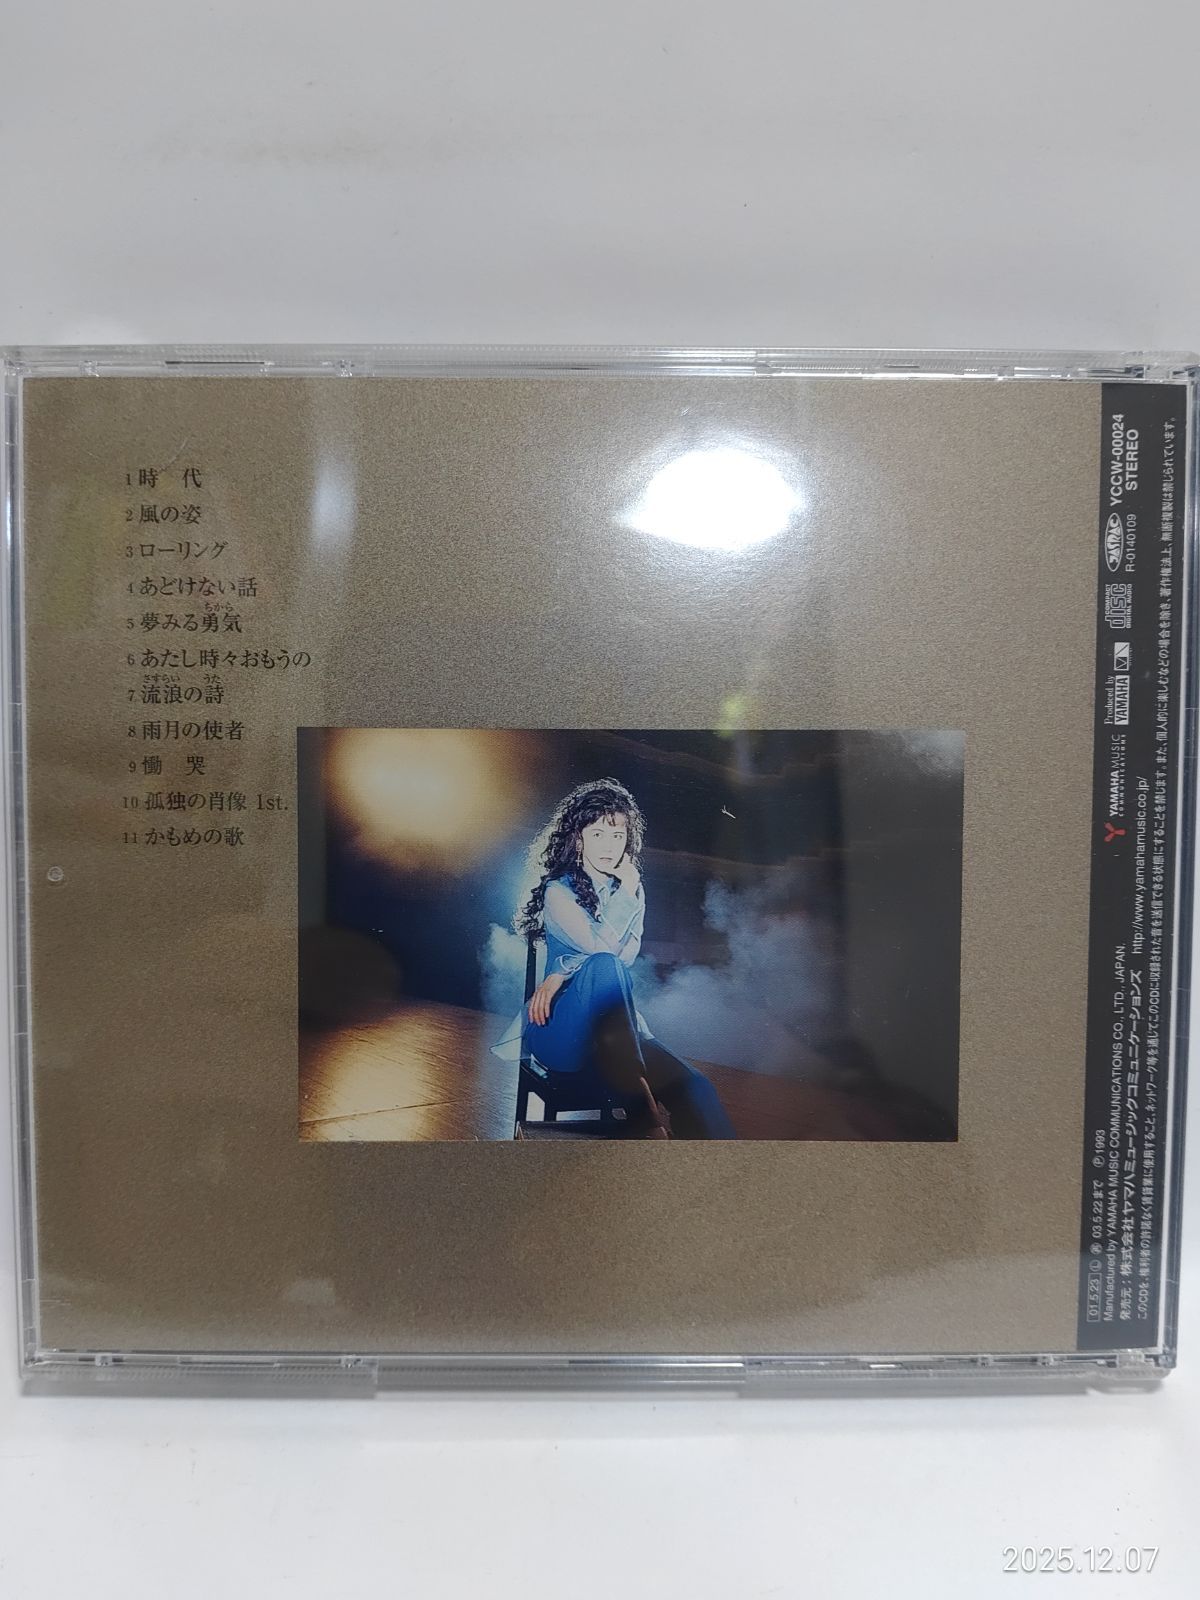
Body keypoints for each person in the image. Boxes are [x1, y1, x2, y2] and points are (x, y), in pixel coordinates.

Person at [491, 778, 735, 1139]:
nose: (609, 845)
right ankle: (645, 1116)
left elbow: (626, 956)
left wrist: (562, 971)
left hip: (617, 1037)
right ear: (579, 839)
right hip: (562, 1034)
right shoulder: (559, 892)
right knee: (603, 965)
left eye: (618, 835)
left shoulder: (630, 890)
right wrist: (625, 899)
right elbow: (605, 955)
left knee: (697, 1087)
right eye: (598, 834)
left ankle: (721, 1171)